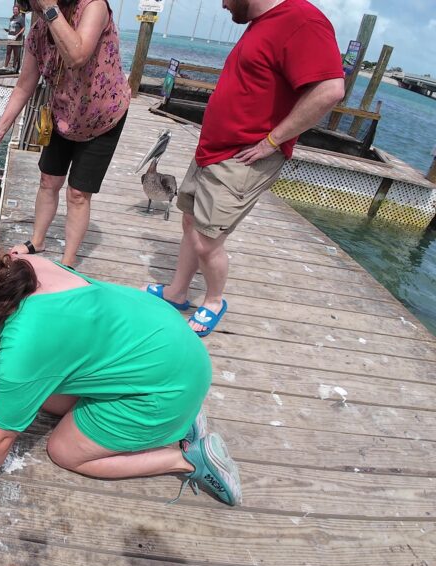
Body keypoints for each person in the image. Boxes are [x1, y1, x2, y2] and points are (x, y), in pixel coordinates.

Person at [0, 235, 241, 506]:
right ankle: (180, 421)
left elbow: (3, 434)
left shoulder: (21, 350)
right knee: (45, 397)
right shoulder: (21, 267)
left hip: (166, 390)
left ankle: (187, 458)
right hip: (175, 350)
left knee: (64, 451)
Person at [148, 0, 345, 337]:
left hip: (243, 157)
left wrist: (273, 141)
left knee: (209, 241)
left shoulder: (301, 19)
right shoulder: (260, 23)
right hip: (212, 150)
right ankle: (177, 293)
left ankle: (213, 301)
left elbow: (330, 89)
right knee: (190, 221)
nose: (222, 4)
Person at [0, 0, 130, 270]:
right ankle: (37, 241)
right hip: (63, 114)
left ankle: (68, 261)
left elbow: (77, 55)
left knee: (77, 193)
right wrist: (2, 126)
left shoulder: (94, 6)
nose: (34, 9)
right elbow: (24, 84)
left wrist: (50, 9)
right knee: (48, 180)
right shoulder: (39, 29)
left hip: (103, 117)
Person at [3, 4, 26, 69]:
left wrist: (18, 34)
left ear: (18, 10)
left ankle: (14, 67)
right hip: (10, 37)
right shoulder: (12, 18)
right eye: (14, 9)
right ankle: (5, 66)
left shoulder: (21, 18)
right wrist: (7, 30)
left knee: (16, 53)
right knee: (8, 52)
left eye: (16, 9)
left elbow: (23, 28)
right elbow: (12, 27)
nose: (14, 11)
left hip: (17, 38)